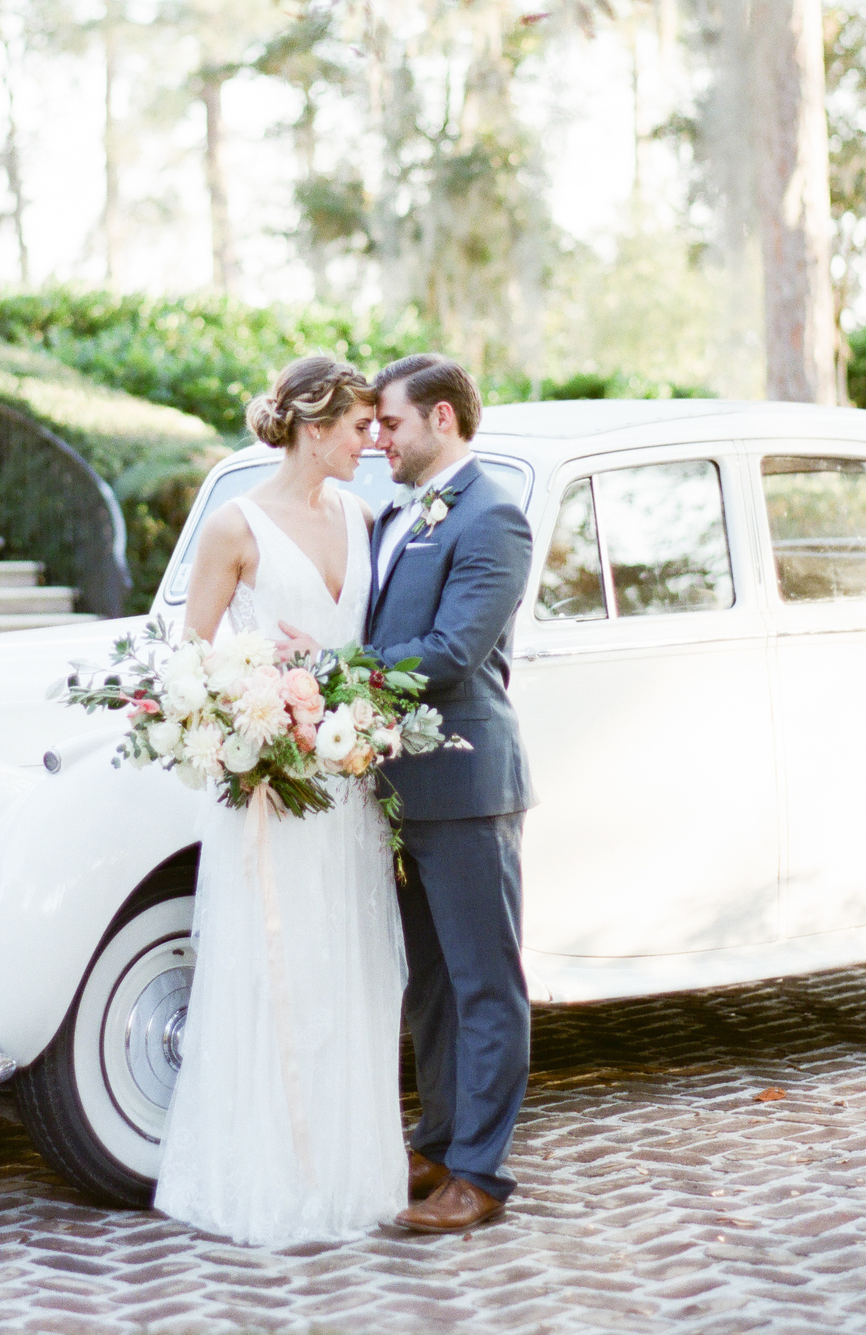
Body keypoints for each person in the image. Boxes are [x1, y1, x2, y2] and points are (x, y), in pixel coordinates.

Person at [154, 355, 408, 1246]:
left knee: (349, 969)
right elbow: (190, 660)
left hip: (347, 786)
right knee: (276, 971)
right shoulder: (235, 525)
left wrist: (341, 691)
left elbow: (368, 647)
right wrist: (266, 687)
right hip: (273, 789)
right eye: (358, 427)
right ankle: (268, 1176)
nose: (372, 442)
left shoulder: (363, 514)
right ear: (313, 424)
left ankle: (344, 1172)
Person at [363, 354, 536, 1234]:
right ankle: (434, 1141)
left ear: (441, 418)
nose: (376, 439)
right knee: (430, 984)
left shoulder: (493, 515)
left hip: (467, 779)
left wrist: (335, 674)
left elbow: (450, 652)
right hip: (400, 788)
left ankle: (482, 1172)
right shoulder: (397, 512)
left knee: (484, 984)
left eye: (389, 423)